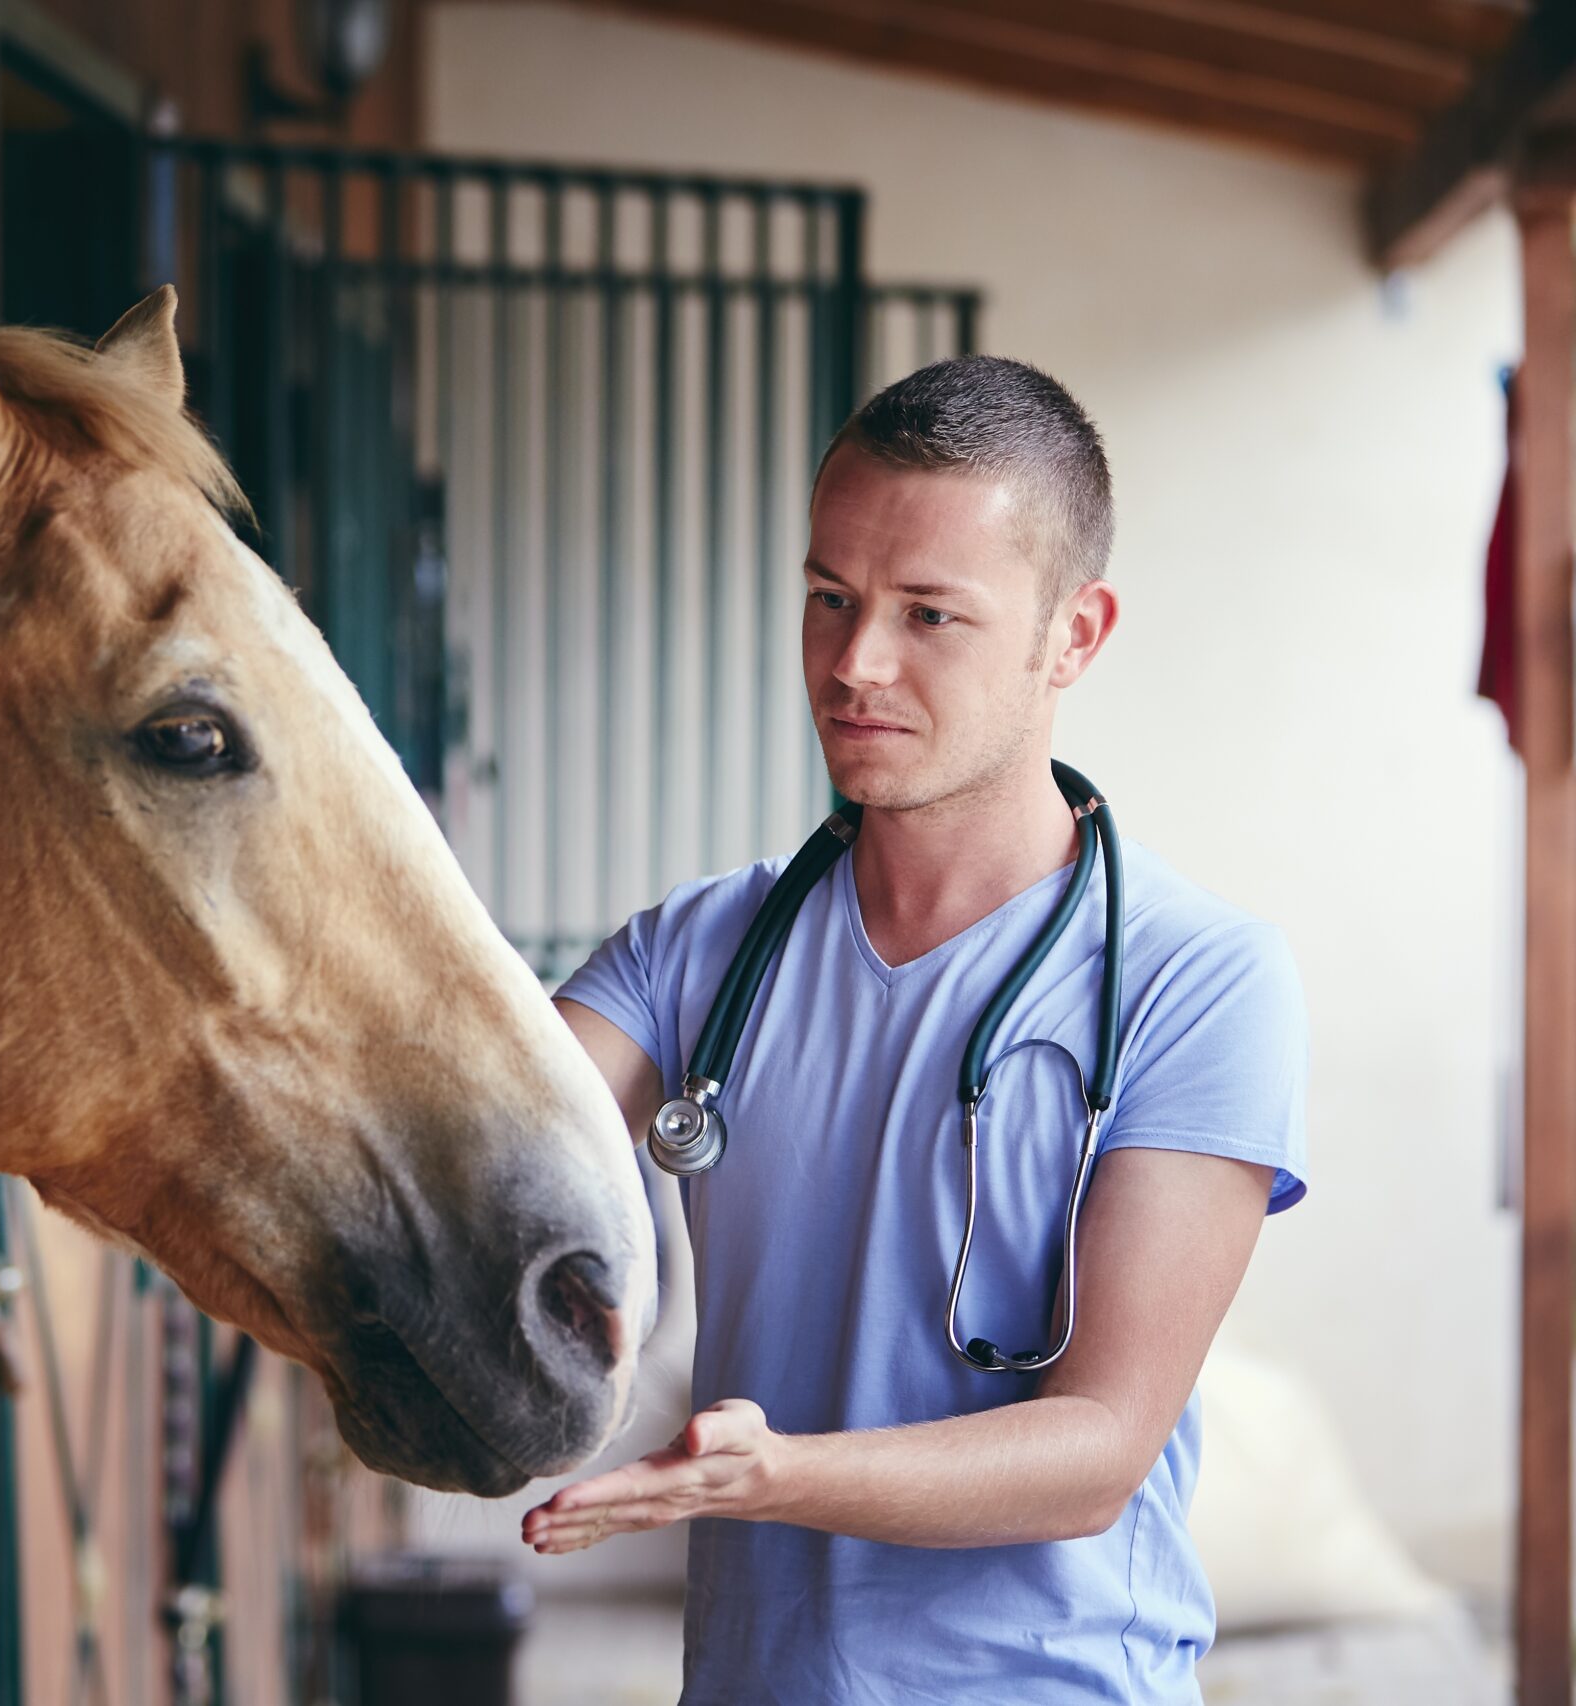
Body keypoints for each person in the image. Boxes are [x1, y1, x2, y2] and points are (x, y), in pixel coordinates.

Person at [523, 356, 1308, 1703]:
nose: (854, 663)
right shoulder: (698, 949)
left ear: (1075, 634)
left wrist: (779, 1476)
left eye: (929, 614)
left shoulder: (1196, 980)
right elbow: (479, 1124)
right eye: (831, 597)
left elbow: (1099, 1447)